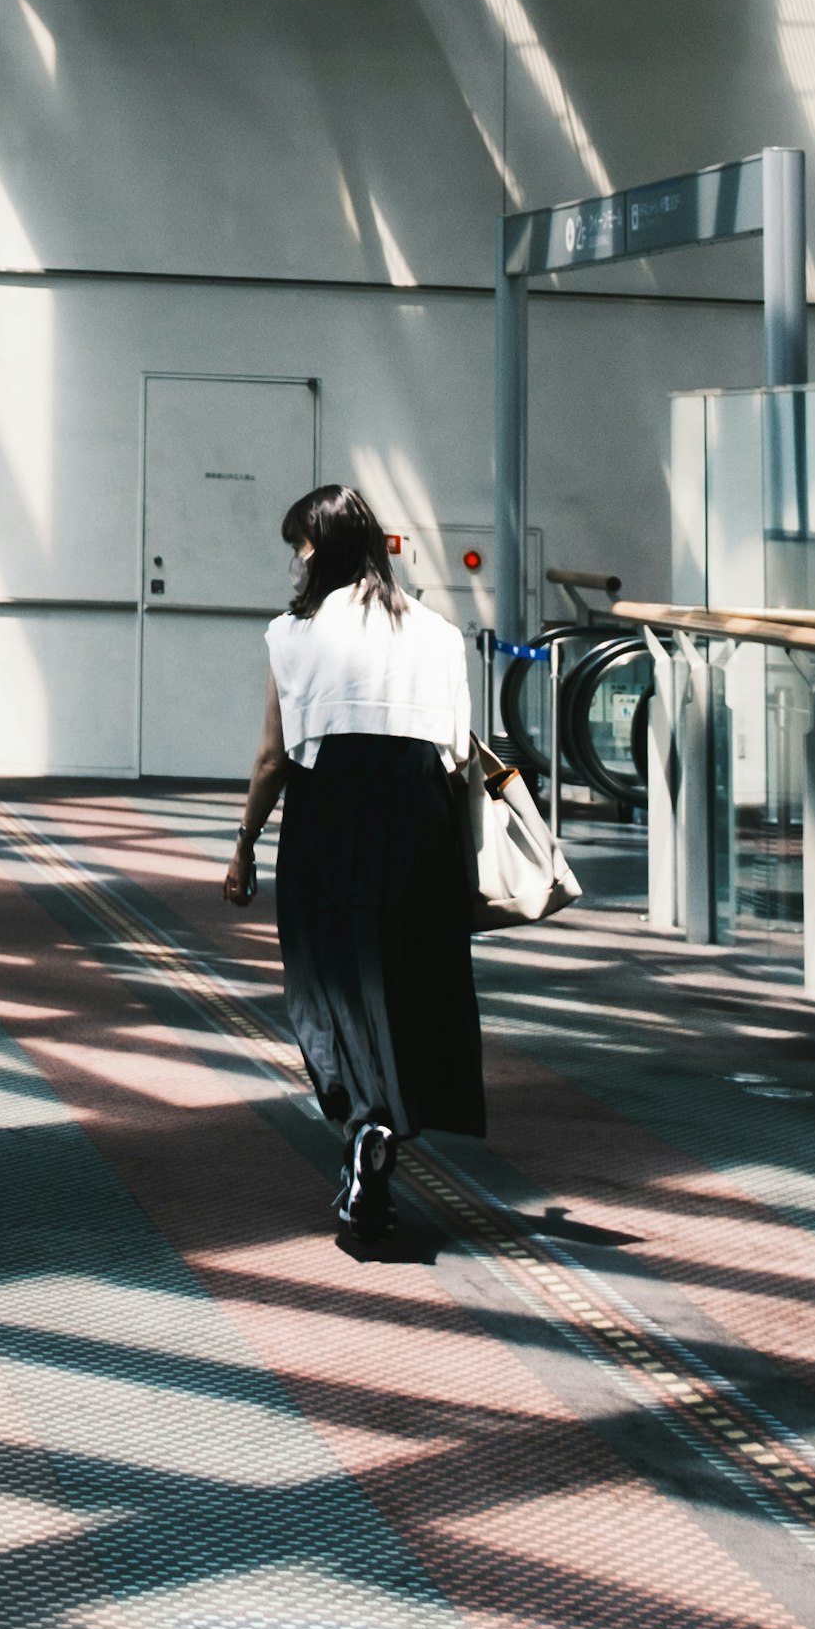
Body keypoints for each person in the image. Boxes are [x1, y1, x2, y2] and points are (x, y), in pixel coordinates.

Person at [219, 482, 483, 1257]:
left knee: (327, 981)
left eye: (299, 547)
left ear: (320, 551)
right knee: (406, 978)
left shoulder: (294, 635)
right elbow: (465, 753)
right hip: (420, 814)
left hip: (332, 808)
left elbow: (273, 757)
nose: (295, 564)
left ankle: (364, 1122)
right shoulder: (437, 632)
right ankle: (382, 1127)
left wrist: (243, 845)